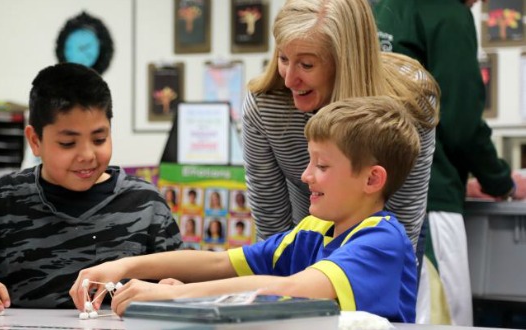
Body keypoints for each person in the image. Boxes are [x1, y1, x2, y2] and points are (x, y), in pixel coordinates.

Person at [70, 96, 421, 322]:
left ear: (373, 179)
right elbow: (220, 263)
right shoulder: (313, 229)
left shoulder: (381, 240)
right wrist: (124, 265)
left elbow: (295, 288)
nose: (305, 175)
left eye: (323, 166)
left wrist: (175, 295)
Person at [0, 63, 183, 315]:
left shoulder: (146, 202)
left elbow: (190, 281)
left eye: (99, 139)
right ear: (35, 141)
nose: (87, 155)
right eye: (67, 143)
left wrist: (177, 289)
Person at [241, 0, 439, 256]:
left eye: (307, 65)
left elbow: (403, 221)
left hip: (385, 244)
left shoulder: (411, 99)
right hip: (303, 239)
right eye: (283, 58)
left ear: (346, 60)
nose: (290, 79)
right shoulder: (264, 105)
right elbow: (272, 229)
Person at [373, 0, 526, 325]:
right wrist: (502, 181)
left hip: (373, 197)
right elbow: (460, 125)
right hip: (429, 202)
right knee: (443, 318)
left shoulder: (379, 8)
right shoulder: (446, 13)